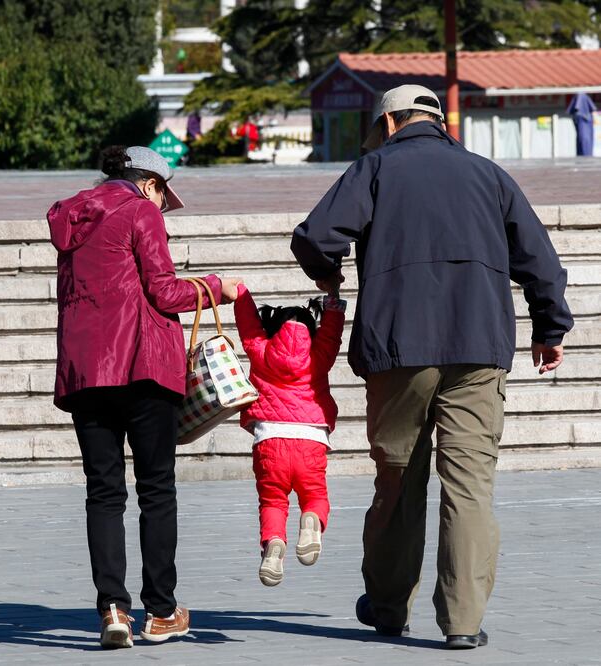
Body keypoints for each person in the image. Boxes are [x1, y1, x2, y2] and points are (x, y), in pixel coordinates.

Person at [291, 84, 574, 650]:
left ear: (390, 124)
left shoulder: (374, 169)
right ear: (439, 122)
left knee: (399, 479)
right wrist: (550, 329)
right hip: (478, 347)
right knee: (469, 487)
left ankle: (390, 607)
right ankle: (463, 622)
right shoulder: (489, 175)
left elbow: (316, 237)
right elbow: (540, 259)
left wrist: (329, 276)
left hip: (400, 348)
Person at [49, 145, 242, 649]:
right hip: (143, 368)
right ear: (150, 184)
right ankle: (160, 612)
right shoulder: (140, 211)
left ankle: (113, 610)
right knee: (156, 489)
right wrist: (217, 288)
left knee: (104, 492)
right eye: (163, 196)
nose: (162, 206)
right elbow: (164, 292)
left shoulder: (71, 216)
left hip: (86, 371)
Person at [233, 286, 345, 587]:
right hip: (310, 440)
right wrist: (333, 298)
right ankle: (311, 522)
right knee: (315, 496)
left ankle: (273, 544)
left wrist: (241, 293)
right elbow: (332, 335)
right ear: (312, 331)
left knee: (272, 501)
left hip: (269, 440)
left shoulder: (261, 350)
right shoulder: (319, 356)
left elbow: (247, 326)